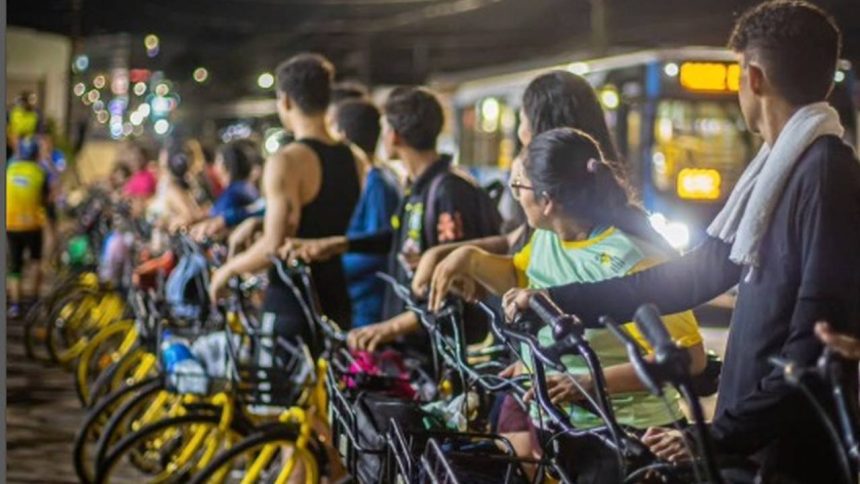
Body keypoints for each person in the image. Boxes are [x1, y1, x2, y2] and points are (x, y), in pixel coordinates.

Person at [504, 2, 860, 482]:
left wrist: (713, 435)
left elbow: (811, 350)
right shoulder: (777, 172)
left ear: (753, 78)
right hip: (756, 439)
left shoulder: (824, 174)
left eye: (737, 76)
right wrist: (559, 299)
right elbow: (696, 274)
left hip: (790, 451)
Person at [430, 128, 706, 468]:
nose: (515, 196)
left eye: (519, 187)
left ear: (547, 201)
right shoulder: (549, 237)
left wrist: (589, 382)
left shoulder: (633, 259)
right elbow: (521, 277)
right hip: (563, 429)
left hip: (630, 439)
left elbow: (691, 358)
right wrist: (469, 259)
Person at [279, 86, 502, 352]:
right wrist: (339, 244)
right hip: (418, 346)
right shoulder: (419, 188)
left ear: (394, 136)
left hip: (444, 353)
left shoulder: (448, 191)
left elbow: (457, 281)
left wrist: (392, 328)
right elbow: (398, 241)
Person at [409, 70, 635, 300]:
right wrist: (455, 256)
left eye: (523, 119)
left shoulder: (622, 255)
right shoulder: (553, 228)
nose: (520, 132)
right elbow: (520, 257)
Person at [209, 53, 368, 349]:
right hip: (337, 300)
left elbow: (274, 244)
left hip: (292, 302)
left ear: (285, 101)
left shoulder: (286, 161)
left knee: (277, 395)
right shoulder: (355, 158)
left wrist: (227, 271)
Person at [332, 98, 402, 327]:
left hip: (369, 303)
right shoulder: (380, 176)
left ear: (342, 135)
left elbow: (376, 249)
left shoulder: (377, 183)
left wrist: (332, 265)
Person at [6, 137, 50, 318]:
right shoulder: (40, 172)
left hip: (11, 225)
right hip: (33, 225)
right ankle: (33, 301)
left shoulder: (9, 169)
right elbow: (45, 199)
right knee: (36, 262)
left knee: (14, 268)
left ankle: (15, 305)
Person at [189, 139, 263, 236]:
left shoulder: (235, 190)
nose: (215, 166)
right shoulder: (241, 187)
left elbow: (220, 214)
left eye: (217, 160)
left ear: (226, 164)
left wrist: (225, 219)